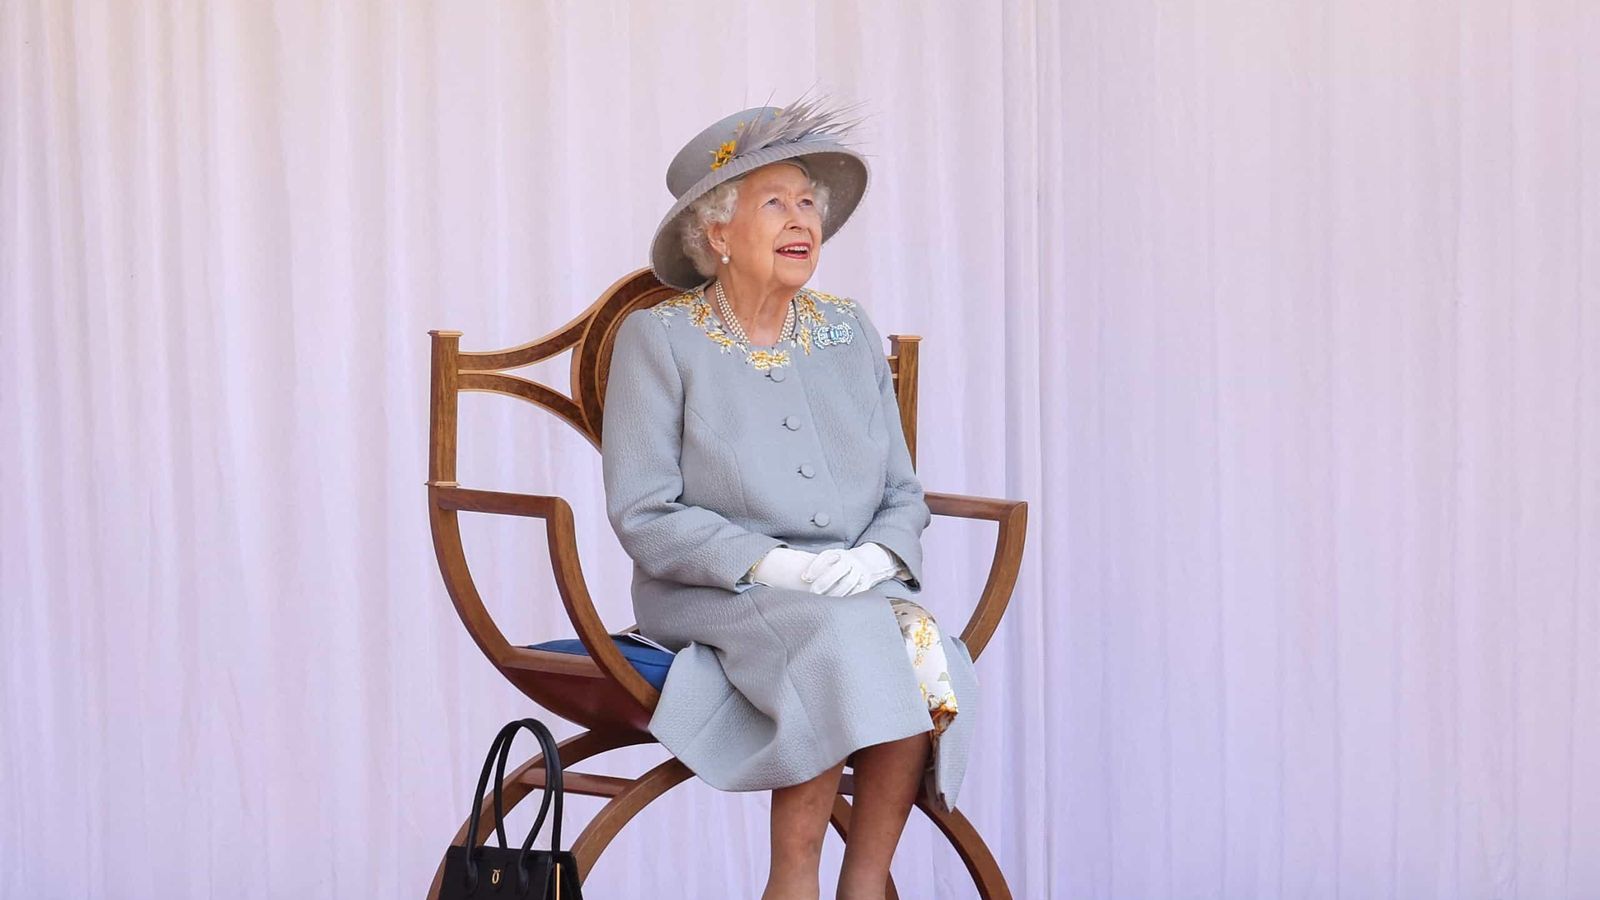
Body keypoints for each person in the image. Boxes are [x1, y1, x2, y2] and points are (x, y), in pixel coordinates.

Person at [601, 96, 978, 900]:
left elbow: (902, 491)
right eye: (774, 202)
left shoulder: (847, 330)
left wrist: (879, 554)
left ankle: (865, 882)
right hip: (713, 593)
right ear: (716, 233)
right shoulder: (659, 339)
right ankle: (792, 882)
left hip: (852, 585)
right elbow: (644, 510)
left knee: (920, 644)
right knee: (841, 641)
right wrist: (772, 566)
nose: (800, 218)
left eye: (808, 201)